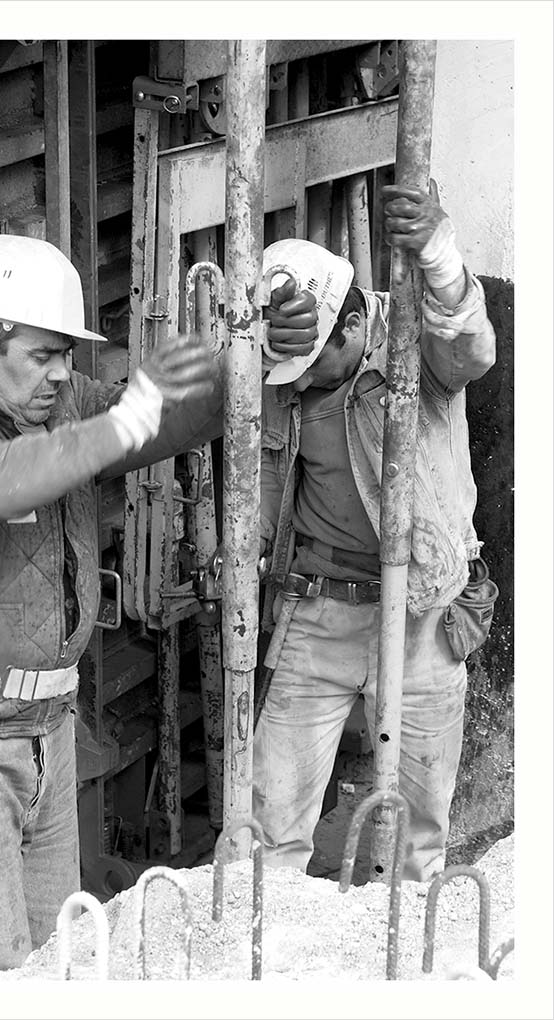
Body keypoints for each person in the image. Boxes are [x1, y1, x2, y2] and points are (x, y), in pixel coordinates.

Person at [0, 233, 226, 978]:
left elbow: (177, 419)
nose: (61, 374)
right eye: (42, 354)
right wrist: (118, 424)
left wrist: (242, 368)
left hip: (47, 737)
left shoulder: (57, 406)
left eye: (67, 355)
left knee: (58, 967)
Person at [254, 182, 498, 882]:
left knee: (418, 838)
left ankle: (407, 968)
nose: (292, 383)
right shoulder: (281, 365)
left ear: (355, 327)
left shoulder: (411, 346)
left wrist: (442, 259)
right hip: (319, 608)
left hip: (420, 613)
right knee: (271, 829)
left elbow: (472, 347)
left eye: (309, 367)